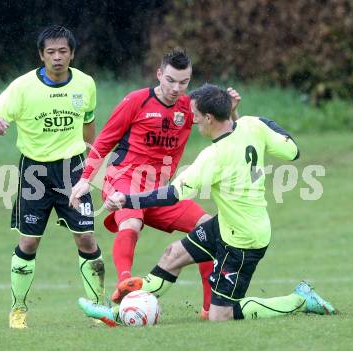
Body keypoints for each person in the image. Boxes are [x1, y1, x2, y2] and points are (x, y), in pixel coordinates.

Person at [77, 84, 337, 325]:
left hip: (244, 240)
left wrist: (127, 199)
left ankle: (300, 300)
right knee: (172, 256)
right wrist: (247, 118)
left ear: (210, 118)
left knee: (220, 315)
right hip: (225, 225)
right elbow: (292, 151)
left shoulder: (213, 157)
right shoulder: (251, 124)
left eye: (197, 115)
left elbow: (173, 195)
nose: (194, 120)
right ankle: (114, 314)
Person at [69, 48, 241, 318]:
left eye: (183, 82)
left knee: (208, 228)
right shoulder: (136, 101)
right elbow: (103, 141)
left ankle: (209, 309)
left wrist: (232, 110)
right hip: (123, 180)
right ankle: (126, 283)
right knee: (132, 221)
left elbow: (226, 132)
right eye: (170, 80)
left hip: (160, 191)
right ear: (159, 74)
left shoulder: (189, 107)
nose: (176, 88)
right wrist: (84, 180)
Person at [0, 25, 105, 329]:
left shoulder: (85, 84)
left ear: (72, 53)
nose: (58, 57)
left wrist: (90, 162)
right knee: (29, 242)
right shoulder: (23, 87)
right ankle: (18, 309)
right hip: (34, 172)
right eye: (51, 52)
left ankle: (99, 309)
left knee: (87, 239)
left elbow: (88, 123)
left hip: (72, 170)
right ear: (41, 55)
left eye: (63, 51)